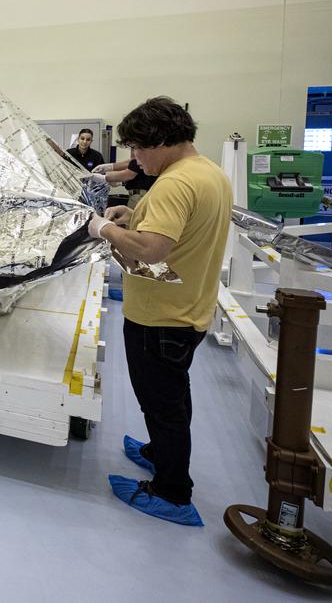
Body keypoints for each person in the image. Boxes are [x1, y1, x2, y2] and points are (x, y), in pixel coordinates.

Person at [86, 97, 230, 527]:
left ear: (161, 140)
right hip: (188, 307)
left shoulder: (172, 184)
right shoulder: (208, 174)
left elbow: (151, 251)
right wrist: (134, 214)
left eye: (138, 149)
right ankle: (157, 453)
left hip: (160, 317)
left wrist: (103, 228)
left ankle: (172, 492)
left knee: (161, 404)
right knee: (171, 398)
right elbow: (180, 236)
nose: (135, 159)